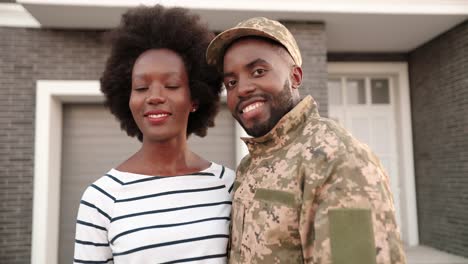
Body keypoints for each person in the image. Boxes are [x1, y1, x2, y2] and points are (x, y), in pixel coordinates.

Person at [206, 17, 406, 263]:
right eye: (231, 83)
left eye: (258, 71)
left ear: (296, 77)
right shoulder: (249, 166)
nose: (243, 89)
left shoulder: (335, 159)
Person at [73, 5, 235, 264]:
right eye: (141, 87)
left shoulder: (228, 185)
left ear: (195, 97)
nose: (155, 96)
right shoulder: (102, 197)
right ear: (127, 99)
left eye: (171, 85)